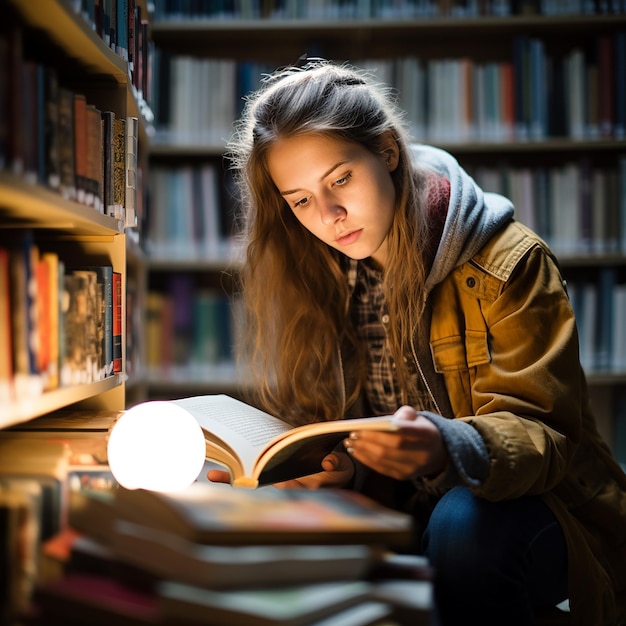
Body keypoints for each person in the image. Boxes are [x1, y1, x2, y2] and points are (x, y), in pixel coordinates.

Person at [207, 57, 626, 625]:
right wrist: (334, 470)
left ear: (386, 152)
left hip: (537, 513)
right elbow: (337, 433)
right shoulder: (317, 278)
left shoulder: (508, 262)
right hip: (402, 513)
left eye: (340, 180)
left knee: (462, 523)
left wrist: (446, 445)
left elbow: (547, 437)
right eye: (301, 200)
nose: (328, 216)